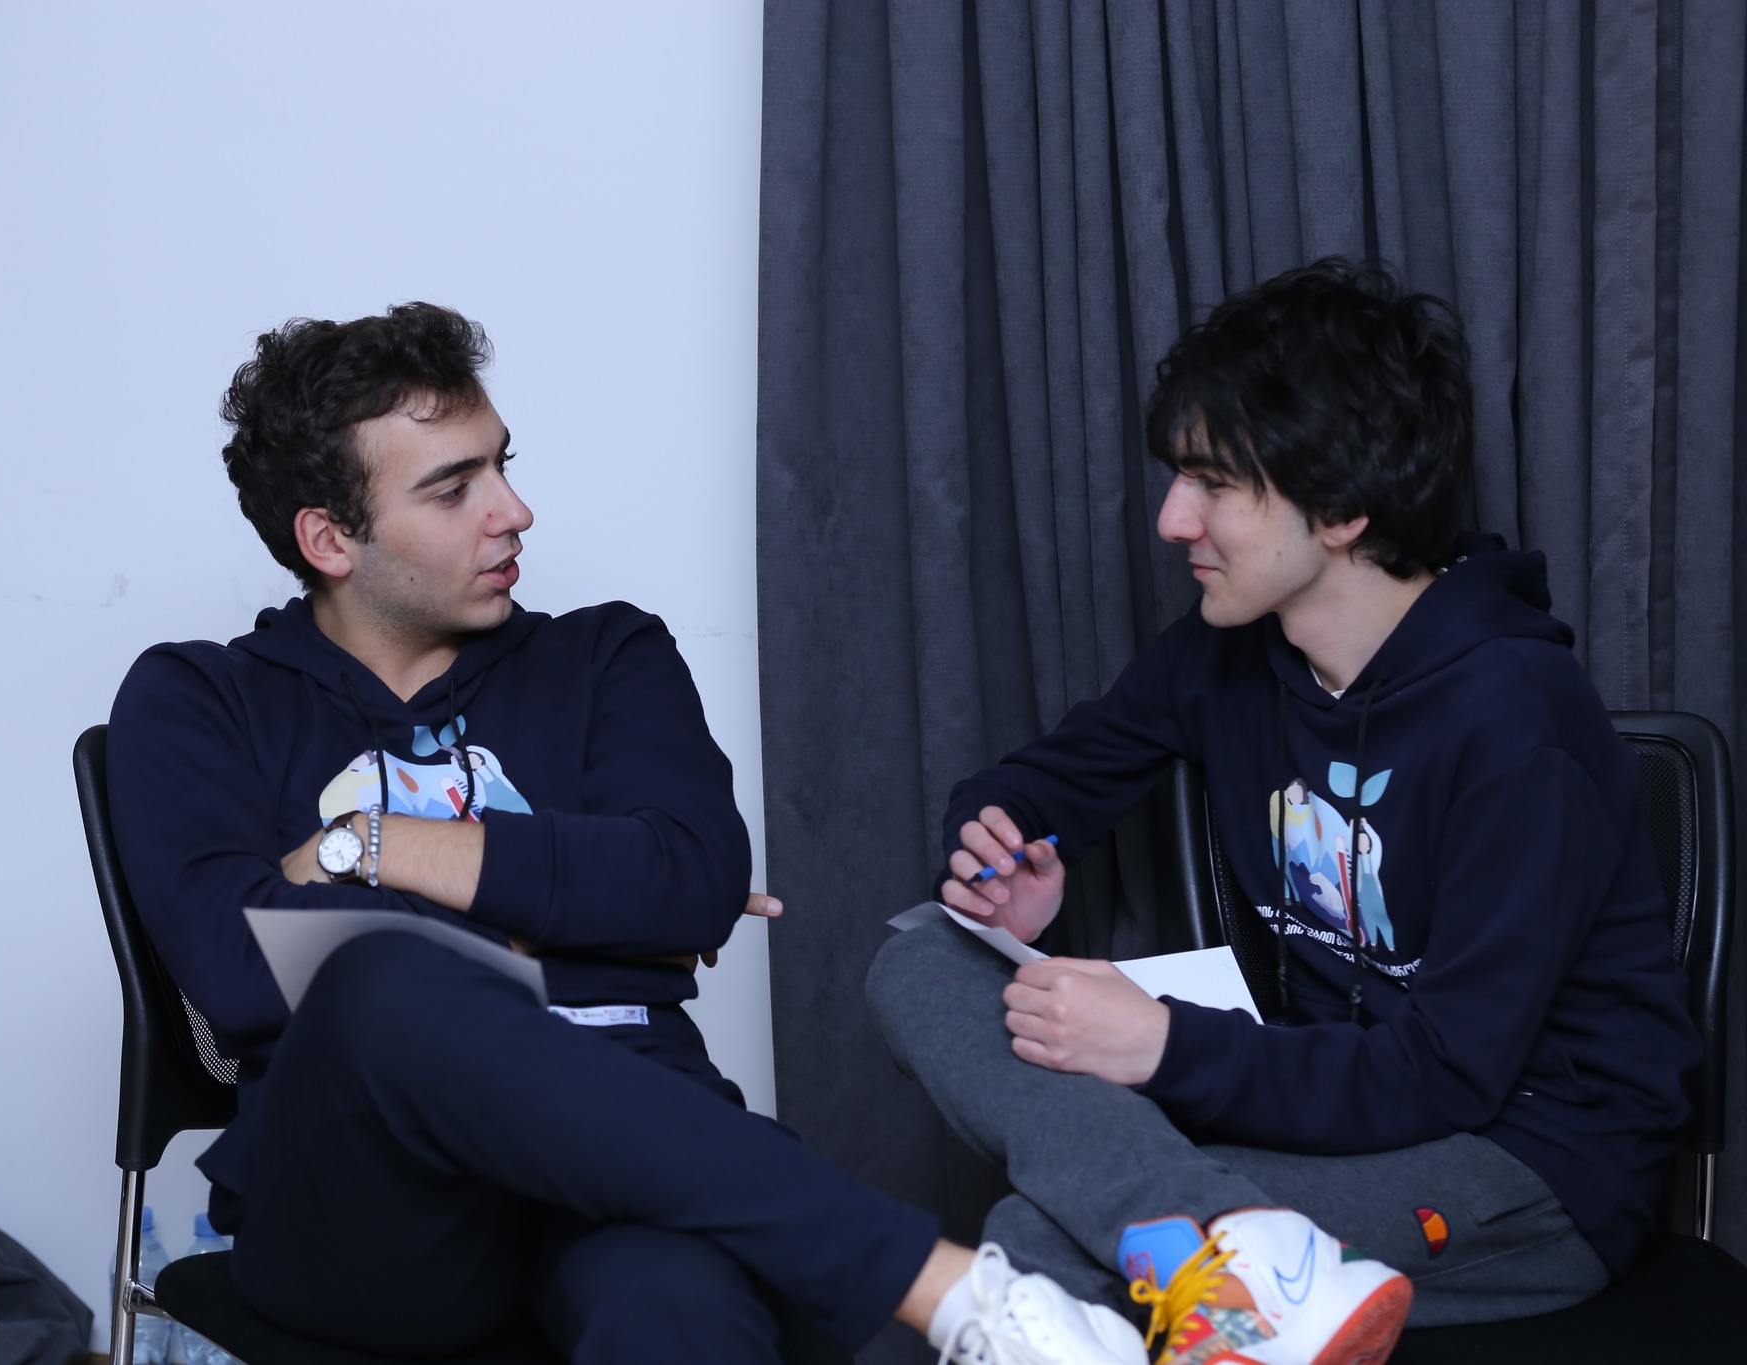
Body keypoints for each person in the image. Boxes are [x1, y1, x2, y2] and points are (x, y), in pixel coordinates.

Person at [106, 303, 1161, 1365]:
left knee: (674, 1303)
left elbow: (690, 883)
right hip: (372, 1211)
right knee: (375, 980)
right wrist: (594, 922)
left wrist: (370, 846)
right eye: (454, 488)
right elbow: (239, 972)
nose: (514, 511)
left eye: (502, 465)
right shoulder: (199, 699)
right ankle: (945, 1289)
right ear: (329, 538)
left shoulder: (608, 657)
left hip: (638, 1164)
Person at [867, 259, 1699, 1365]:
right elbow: (1043, 780)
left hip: (1525, 1164)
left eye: (1212, 483)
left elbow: (1449, 1073)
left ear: (1343, 510)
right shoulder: (1223, 655)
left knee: (1045, 1244)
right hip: (1317, 1101)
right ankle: (1226, 1246)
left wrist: (1163, 1045)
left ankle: (1207, 1242)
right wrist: (1005, 848)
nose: (1172, 519)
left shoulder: (1516, 721)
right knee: (920, 958)